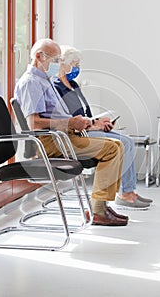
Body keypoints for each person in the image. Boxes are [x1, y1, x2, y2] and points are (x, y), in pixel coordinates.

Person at [14, 38, 128, 226]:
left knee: (116, 144)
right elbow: (33, 122)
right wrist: (70, 122)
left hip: (63, 136)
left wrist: (84, 123)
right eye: (55, 59)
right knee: (112, 149)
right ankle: (98, 209)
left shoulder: (44, 81)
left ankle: (101, 206)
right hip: (51, 142)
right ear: (39, 56)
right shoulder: (31, 82)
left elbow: (58, 118)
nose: (58, 65)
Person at [53, 45, 153, 209]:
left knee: (126, 139)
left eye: (78, 65)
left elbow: (85, 112)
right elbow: (67, 120)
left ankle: (128, 191)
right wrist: (91, 126)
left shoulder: (74, 85)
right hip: (77, 135)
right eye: (75, 64)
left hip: (88, 129)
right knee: (125, 143)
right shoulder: (56, 88)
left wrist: (98, 123)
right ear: (63, 63)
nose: (77, 68)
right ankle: (125, 194)